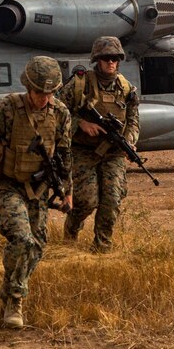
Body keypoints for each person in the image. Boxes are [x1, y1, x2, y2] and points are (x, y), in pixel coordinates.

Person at [0, 56, 72, 329]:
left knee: (37, 247)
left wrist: (66, 190)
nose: (44, 98)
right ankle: (14, 300)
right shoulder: (7, 109)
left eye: (49, 93)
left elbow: (64, 154)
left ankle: (8, 290)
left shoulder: (60, 113)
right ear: (29, 87)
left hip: (38, 187)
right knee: (22, 239)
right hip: (7, 184)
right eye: (39, 92)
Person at [57, 35, 140, 252]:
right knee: (86, 200)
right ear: (97, 59)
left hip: (113, 152)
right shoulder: (79, 84)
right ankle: (72, 229)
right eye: (106, 58)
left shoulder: (126, 88)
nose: (111, 62)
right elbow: (55, 112)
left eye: (115, 58)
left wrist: (130, 141)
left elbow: (133, 121)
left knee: (112, 199)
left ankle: (102, 247)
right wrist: (80, 123)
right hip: (83, 150)